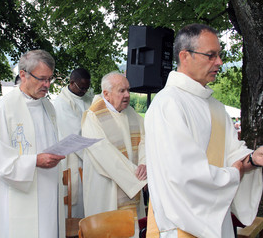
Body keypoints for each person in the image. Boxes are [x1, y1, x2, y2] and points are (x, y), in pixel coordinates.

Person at [144, 23, 263, 238]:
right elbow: (183, 174)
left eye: (219, 55)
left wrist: (253, 158)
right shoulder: (168, 104)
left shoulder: (215, 107)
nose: (219, 62)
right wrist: (234, 173)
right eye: (211, 55)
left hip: (217, 218)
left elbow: (232, 154)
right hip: (180, 224)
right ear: (185, 56)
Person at [0, 50, 66, 238]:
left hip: (47, 190)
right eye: (42, 79)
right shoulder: (4, 109)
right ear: (23, 74)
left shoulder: (47, 106)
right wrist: (34, 161)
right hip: (16, 194)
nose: (47, 85)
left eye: (50, 79)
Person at [81, 71, 147, 237]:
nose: (127, 95)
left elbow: (145, 140)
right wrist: (137, 178)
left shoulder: (131, 113)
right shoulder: (93, 116)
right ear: (106, 94)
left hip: (133, 183)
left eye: (128, 90)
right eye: (121, 91)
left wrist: (144, 164)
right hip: (106, 187)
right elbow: (103, 153)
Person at [53, 68, 93, 218]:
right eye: (82, 87)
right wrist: (94, 156)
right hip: (74, 158)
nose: (84, 91)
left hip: (89, 154)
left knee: (89, 204)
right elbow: (75, 133)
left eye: (87, 87)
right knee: (74, 207)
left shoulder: (89, 98)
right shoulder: (62, 103)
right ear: (71, 83)